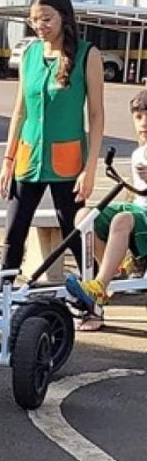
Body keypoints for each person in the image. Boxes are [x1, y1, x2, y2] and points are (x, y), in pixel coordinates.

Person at [0, 0, 104, 330]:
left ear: (64, 17)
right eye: (34, 20)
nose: (40, 26)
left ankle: (93, 301)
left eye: (46, 18)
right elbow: (19, 111)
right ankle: (2, 297)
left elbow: (97, 116)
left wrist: (90, 169)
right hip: (29, 158)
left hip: (67, 162)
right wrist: (8, 160)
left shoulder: (87, 55)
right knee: (14, 231)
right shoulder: (30, 54)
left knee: (74, 232)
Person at [65, 90, 147, 325]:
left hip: (141, 217)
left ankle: (100, 286)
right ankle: (112, 271)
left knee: (122, 219)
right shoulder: (138, 153)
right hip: (139, 210)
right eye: (138, 117)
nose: (143, 123)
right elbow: (136, 193)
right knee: (84, 216)